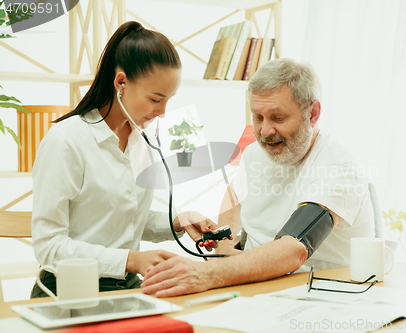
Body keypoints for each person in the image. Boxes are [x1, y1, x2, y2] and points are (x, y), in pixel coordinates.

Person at [141, 58, 375, 297]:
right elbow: (235, 194)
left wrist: (209, 273)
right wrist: (224, 245)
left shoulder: (337, 168)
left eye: (278, 118)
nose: (265, 131)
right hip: (255, 289)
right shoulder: (256, 153)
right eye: (258, 117)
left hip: (318, 297)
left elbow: (295, 248)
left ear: (312, 114)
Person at [30, 21, 218, 298]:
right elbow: (49, 246)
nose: (163, 112)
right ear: (121, 82)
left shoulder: (141, 141)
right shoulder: (66, 141)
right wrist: (131, 260)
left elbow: (127, 220)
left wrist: (179, 220)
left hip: (128, 288)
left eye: (169, 100)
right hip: (70, 290)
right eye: (156, 99)